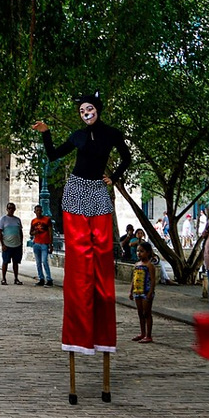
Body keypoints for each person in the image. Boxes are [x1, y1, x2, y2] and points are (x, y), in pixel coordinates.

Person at [33, 92, 131, 358]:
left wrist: (114, 177)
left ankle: (100, 314)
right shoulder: (77, 135)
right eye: (81, 110)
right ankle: (78, 305)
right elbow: (53, 155)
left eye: (88, 108)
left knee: (100, 249)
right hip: (76, 188)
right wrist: (46, 132)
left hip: (98, 188)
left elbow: (126, 158)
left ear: (97, 109)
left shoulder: (112, 133)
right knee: (79, 251)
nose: (85, 113)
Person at [130, 241, 158, 344]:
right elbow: (133, 279)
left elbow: (153, 280)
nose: (139, 253)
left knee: (147, 313)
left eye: (141, 251)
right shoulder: (137, 265)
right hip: (137, 291)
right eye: (138, 251)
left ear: (148, 252)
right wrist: (131, 291)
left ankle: (148, 335)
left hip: (146, 292)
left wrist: (150, 292)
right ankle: (142, 333)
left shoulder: (149, 266)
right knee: (140, 313)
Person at [0, 202, 24, 285]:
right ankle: (3, 278)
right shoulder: (3, 219)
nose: (11, 210)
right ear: (7, 209)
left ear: (15, 209)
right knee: (5, 262)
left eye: (13, 208)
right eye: (9, 208)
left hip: (17, 244)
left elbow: (20, 231)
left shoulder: (17, 220)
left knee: (16, 262)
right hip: (7, 244)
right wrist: (2, 244)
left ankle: (16, 278)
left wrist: (21, 243)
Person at [29, 204, 54, 286]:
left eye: (40, 210)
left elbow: (50, 232)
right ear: (35, 212)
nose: (39, 212)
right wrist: (34, 233)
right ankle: (41, 278)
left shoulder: (47, 220)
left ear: (42, 211)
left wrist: (51, 244)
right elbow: (31, 232)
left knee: (44, 261)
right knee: (38, 262)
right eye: (37, 210)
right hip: (36, 243)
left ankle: (49, 279)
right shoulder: (33, 221)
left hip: (44, 243)